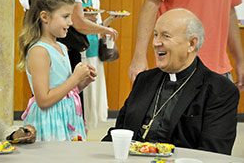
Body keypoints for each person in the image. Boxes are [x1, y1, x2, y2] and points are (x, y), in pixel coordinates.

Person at [103, 9, 240, 155]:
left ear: (191, 44)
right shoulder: (144, 80)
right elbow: (120, 132)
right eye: (155, 34)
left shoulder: (219, 90)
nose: (156, 43)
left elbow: (214, 154)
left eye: (166, 36)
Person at [128, 0, 244, 92]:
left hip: (220, 71)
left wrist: (240, 61)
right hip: (179, 69)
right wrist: (139, 57)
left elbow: (230, 12)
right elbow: (151, 3)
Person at [18, 0, 96, 141]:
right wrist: (75, 78)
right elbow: (44, 100)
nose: (71, 23)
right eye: (66, 17)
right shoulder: (39, 51)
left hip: (65, 118)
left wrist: (81, 83)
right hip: (49, 122)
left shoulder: (61, 46)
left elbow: (63, 92)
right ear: (45, 17)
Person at [77, 0, 124, 130]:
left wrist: (111, 19)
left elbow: (99, 26)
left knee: (93, 93)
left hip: (94, 50)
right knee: (82, 93)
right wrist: (84, 20)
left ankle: (87, 130)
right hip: (79, 49)